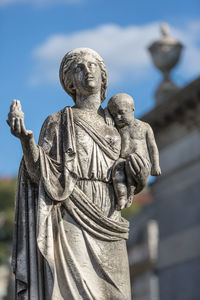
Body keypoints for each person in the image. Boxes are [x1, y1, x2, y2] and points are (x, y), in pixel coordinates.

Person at [7, 48, 149, 300]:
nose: (88, 70)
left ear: (104, 77)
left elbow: (135, 179)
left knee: (117, 294)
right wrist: (25, 140)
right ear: (70, 82)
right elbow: (39, 174)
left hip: (110, 217)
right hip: (71, 210)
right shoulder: (58, 121)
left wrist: (139, 171)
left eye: (93, 65)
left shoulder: (119, 122)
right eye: (79, 68)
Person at [107, 93, 161, 210]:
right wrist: (107, 115)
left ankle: (129, 193)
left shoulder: (144, 127)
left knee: (132, 161)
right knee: (118, 174)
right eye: (114, 115)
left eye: (121, 112)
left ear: (132, 109)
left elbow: (152, 147)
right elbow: (103, 113)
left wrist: (155, 165)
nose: (118, 118)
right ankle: (122, 197)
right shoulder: (118, 128)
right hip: (123, 160)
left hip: (141, 161)